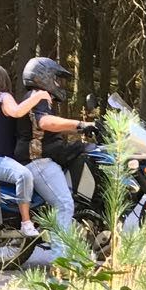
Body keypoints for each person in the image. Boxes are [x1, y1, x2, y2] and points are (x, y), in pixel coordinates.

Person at [18, 56, 89, 236]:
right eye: (55, 78)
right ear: (43, 77)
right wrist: (79, 124)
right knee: (64, 204)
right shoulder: (38, 97)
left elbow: (52, 129)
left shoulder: (39, 97)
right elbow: (45, 122)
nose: (58, 83)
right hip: (37, 160)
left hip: (44, 157)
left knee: (84, 151)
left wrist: (83, 129)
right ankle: (60, 259)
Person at [0, 66, 47, 237]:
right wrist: (38, 96)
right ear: (5, 81)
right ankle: (26, 222)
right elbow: (17, 112)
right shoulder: (3, 97)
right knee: (24, 175)